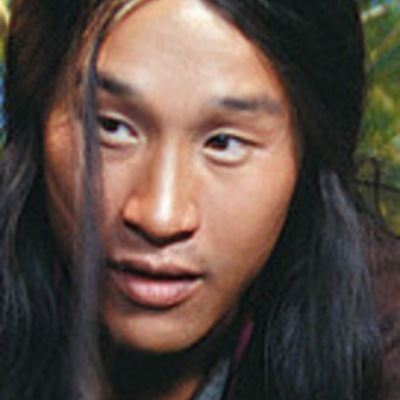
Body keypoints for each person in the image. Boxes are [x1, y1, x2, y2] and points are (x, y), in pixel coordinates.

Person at [0, 0, 399, 399]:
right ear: (36, 114)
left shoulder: (383, 344)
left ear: (309, 154)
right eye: (111, 127)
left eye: (223, 144)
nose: (161, 217)